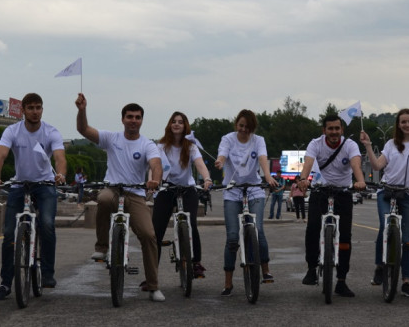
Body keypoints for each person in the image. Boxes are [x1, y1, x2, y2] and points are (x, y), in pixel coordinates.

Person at [74, 94, 165, 302]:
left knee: (149, 235)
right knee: (103, 199)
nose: (134, 120)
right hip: (114, 189)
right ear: (122, 119)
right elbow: (83, 130)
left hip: (136, 194)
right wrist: (82, 110)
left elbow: (156, 164)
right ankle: (102, 247)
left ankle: (153, 286)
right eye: (130, 116)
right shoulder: (112, 138)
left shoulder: (147, 144)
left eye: (138, 117)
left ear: (142, 120)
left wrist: (155, 180)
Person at [0, 93, 67, 300]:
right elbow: (1, 155)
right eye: (30, 108)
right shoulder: (12, 131)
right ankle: (6, 282)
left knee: (47, 224)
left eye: (38, 107)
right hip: (20, 184)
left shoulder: (51, 131)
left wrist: (60, 174)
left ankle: (47, 273)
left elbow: (60, 158)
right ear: (23, 110)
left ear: (42, 109)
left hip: (45, 184)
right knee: (9, 232)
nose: (35, 111)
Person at [360, 107, 409, 298]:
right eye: (403, 122)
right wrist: (368, 146)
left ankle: (406, 281)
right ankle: (379, 266)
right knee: (384, 226)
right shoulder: (391, 144)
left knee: (406, 240)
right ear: (398, 125)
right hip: (387, 191)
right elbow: (377, 166)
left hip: (408, 194)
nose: (407, 125)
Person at [299, 115, 367, 297]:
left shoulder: (350, 145)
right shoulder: (315, 144)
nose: (334, 132)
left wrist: (360, 181)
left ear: (342, 130)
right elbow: (308, 164)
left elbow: (356, 165)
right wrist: (303, 179)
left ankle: (341, 281)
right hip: (320, 191)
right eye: (330, 128)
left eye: (337, 128)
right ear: (324, 131)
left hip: (343, 193)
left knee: (345, 237)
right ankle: (312, 268)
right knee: (312, 229)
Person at [215, 109, 278, 296]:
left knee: (258, 230)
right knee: (232, 237)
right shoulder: (228, 139)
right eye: (241, 126)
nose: (243, 130)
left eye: (247, 127)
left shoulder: (258, 140)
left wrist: (268, 176)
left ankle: (265, 269)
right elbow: (222, 154)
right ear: (236, 124)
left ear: (253, 128)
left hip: (254, 188)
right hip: (232, 191)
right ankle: (228, 282)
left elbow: (263, 158)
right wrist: (220, 161)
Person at [151, 112, 213, 280]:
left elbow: (200, 164)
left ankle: (196, 262)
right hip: (167, 189)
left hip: (187, 189)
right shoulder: (161, 146)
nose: (177, 124)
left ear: (185, 126)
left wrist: (207, 178)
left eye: (180, 122)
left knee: (191, 224)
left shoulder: (191, 146)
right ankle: (152, 273)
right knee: (157, 230)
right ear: (169, 125)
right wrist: (153, 182)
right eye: (174, 121)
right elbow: (155, 166)